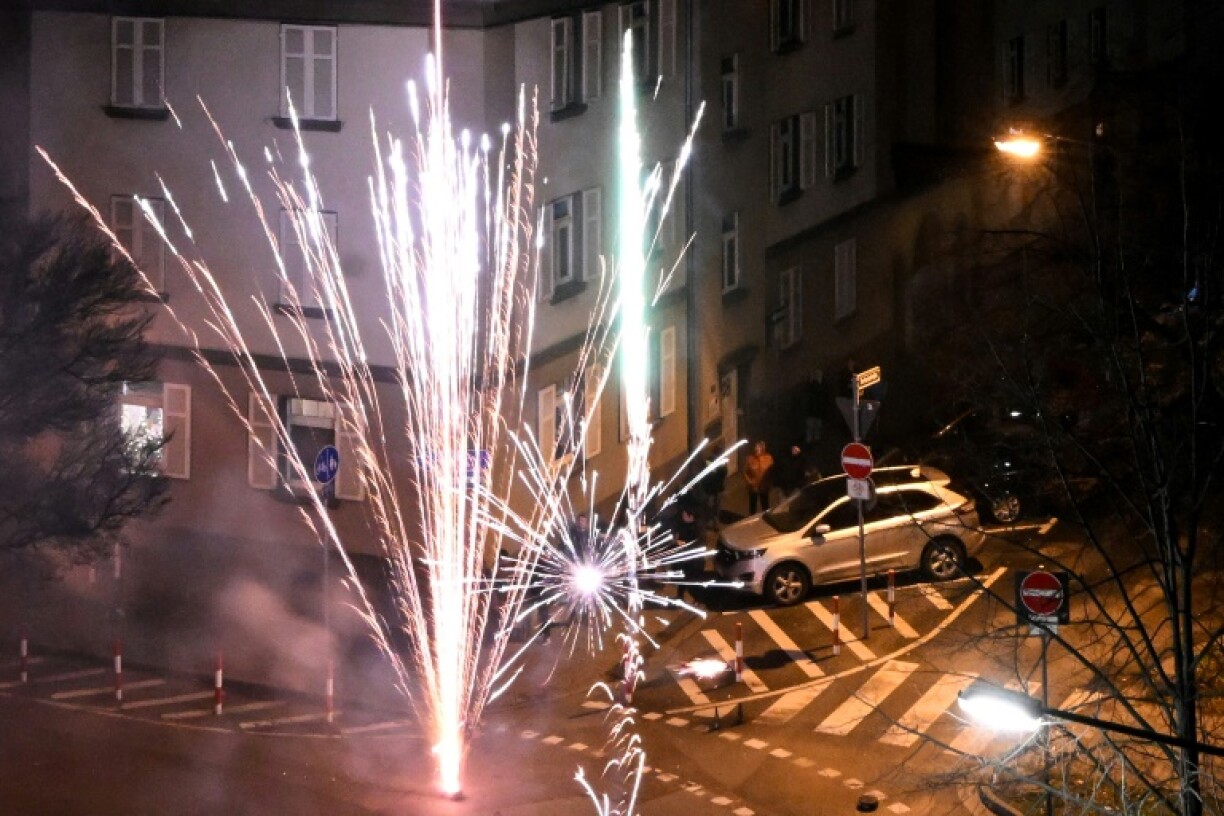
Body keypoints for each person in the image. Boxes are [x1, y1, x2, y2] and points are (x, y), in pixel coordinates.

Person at [698, 443, 728, 529]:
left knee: (716, 506)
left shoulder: (722, 461)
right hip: (711, 487)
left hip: (717, 488)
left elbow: (723, 473)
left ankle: (715, 521)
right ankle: (711, 521)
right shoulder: (710, 460)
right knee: (711, 505)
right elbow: (711, 473)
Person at [743, 440, 774, 516]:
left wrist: (770, 483)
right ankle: (752, 518)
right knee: (752, 506)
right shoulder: (750, 459)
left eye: (758, 448)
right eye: (756, 448)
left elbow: (772, 472)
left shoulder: (768, 458)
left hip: (764, 486)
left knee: (765, 505)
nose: (756, 449)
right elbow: (745, 471)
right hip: (753, 487)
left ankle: (767, 518)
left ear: (763, 449)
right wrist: (749, 481)